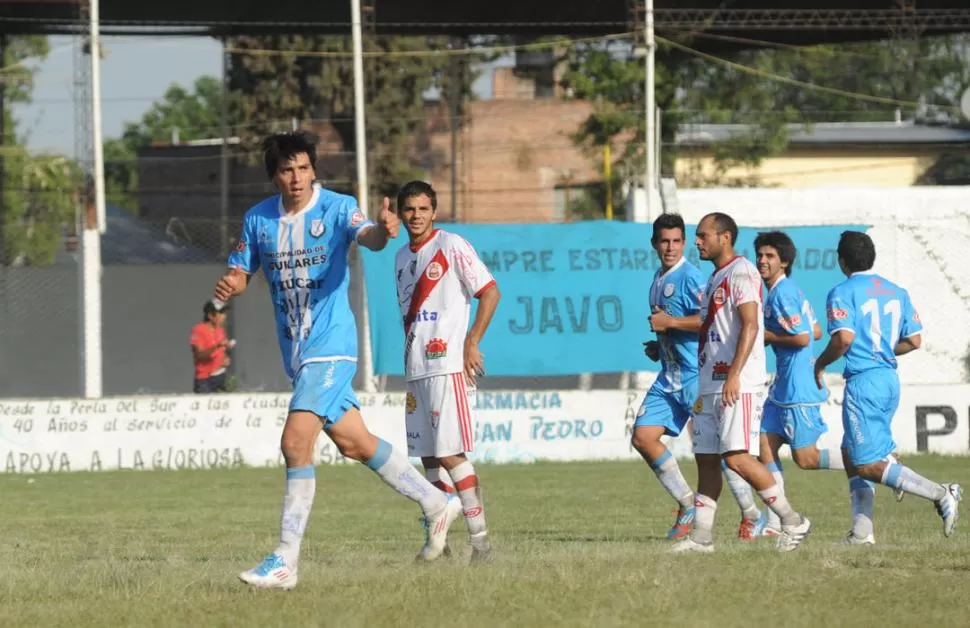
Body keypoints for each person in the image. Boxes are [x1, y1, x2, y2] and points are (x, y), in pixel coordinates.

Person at [214, 132, 462, 590]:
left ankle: (285, 559)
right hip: (299, 351)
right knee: (354, 443)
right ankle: (434, 501)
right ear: (275, 175)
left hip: (332, 344)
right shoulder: (258, 219)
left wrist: (383, 232)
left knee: (295, 442)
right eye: (288, 170)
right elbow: (241, 271)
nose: (297, 178)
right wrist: (231, 283)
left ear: (314, 170)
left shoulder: (335, 206)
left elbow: (367, 236)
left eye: (304, 168)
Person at [671, 212, 811, 553]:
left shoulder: (743, 272)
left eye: (703, 235)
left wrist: (734, 374)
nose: (698, 242)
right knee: (706, 459)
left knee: (737, 458)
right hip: (709, 384)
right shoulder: (714, 279)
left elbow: (751, 325)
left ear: (725, 238)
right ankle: (702, 538)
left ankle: (793, 521)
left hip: (738, 384)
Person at [814, 230, 961, 545]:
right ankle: (862, 533)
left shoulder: (842, 291)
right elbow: (915, 340)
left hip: (865, 382)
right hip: (888, 380)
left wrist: (820, 363)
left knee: (867, 464)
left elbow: (844, 339)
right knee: (851, 452)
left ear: (842, 261)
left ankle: (940, 493)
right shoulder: (897, 291)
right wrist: (881, 350)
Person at [394, 180, 501, 562]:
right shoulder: (401, 257)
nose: (416, 216)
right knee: (428, 459)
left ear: (434, 212)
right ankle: (442, 543)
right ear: (401, 213)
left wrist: (471, 343)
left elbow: (489, 291)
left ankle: (481, 542)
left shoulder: (451, 245)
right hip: (415, 369)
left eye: (423, 209)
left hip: (448, 366)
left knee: (451, 454)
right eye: (409, 209)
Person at [753, 231, 845, 536]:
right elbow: (816, 331)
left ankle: (869, 459)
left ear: (785, 262)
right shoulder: (787, 291)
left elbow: (804, 338)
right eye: (761, 255)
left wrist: (769, 336)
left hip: (797, 388)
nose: (763, 261)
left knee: (805, 459)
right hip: (782, 387)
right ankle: (777, 522)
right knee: (764, 446)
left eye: (770, 256)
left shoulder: (782, 294)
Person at [631, 213, 705, 540]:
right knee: (643, 437)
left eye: (676, 241)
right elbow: (670, 325)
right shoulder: (658, 278)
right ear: (654, 244)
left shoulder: (691, 277)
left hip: (697, 377)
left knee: (721, 453)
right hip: (670, 375)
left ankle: (756, 516)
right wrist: (659, 347)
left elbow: (712, 320)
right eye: (664, 241)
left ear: (684, 242)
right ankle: (688, 503)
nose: (670, 247)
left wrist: (672, 326)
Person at [190, 299, 235, 393]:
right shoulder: (199, 330)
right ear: (210, 315)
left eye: (224, 313)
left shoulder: (220, 330)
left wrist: (225, 359)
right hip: (205, 380)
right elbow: (200, 354)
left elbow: (221, 352)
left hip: (220, 376)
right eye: (221, 313)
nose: (224, 316)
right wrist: (217, 346)